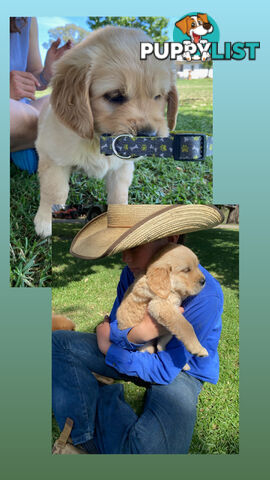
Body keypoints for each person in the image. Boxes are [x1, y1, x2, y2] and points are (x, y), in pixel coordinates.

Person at [52, 204, 224, 454]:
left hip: (182, 371)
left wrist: (109, 348)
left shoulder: (205, 296)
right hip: (136, 352)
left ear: (171, 239)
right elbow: (117, 326)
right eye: (123, 247)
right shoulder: (131, 275)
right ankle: (82, 438)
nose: (125, 257)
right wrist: (138, 334)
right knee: (58, 344)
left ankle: (105, 394)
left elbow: (166, 370)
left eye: (136, 246)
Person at [10, 17, 71, 171]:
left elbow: (34, 73)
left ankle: (27, 138)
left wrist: (47, 74)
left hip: (22, 108)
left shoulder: (27, 18)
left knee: (73, 101)